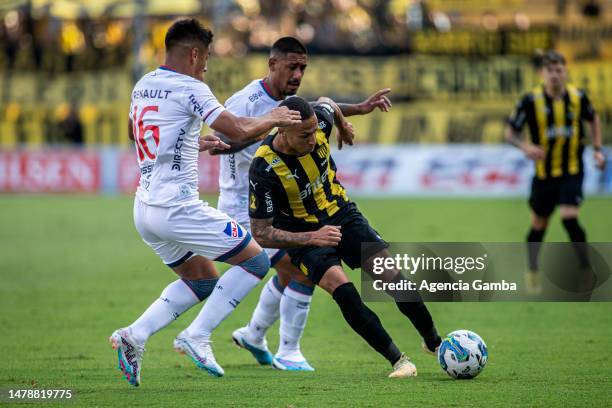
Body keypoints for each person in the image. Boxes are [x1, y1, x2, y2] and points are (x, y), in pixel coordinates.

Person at [109, 18, 301, 387]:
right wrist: (275, 117)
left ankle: (135, 335)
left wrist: (194, 143)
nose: (207, 65)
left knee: (202, 280)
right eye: (207, 56)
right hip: (177, 209)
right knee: (256, 259)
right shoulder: (192, 87)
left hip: (145, 209)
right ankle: (197, 336)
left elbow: (148, 139)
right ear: (194, 53)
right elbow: (238, 130)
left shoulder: (144, 84)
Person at [210, 36, 393, 371]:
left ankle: (253, 334)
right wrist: (262, 131)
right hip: (242, 202)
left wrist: (356, 110)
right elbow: (222, 140)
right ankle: (283, 349)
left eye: (303, 68)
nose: (297, 74)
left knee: (290, 270)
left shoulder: (287, 100)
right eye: (292, 66)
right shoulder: (246, 100)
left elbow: (315, 109)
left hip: (275, 204)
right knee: (300, 268)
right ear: (273, 64)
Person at [248, 96, 442, 378]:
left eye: (315, 131)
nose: (314, 139)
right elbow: (261, 233)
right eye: (305, 135)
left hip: (342, 214)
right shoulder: (264, 168)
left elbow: (328, 103)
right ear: (283, 130)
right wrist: (313, 237)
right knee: (344, 291)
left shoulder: (320, 120)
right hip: (304, 234)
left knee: (393, 277)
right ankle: (399, 361)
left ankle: (434, 342)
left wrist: (343, 126)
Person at [505, 51, 605, 294]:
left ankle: (584, 270)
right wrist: (525, 146)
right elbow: (510, 132)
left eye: (559, 70)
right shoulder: (530, 101)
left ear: (565, 72)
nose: (555, 75)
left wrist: (597, 149)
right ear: (542, 73)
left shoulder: (578, 97)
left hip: (572, 170)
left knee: (570, 218)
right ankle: (532, 270)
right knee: (539, 225)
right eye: (550, 70)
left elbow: (593, 119)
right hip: (544, 175)